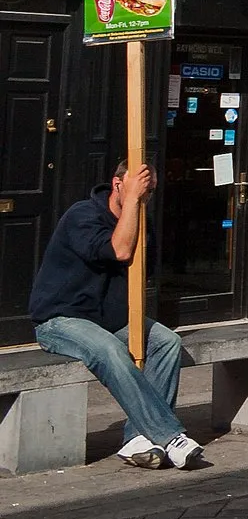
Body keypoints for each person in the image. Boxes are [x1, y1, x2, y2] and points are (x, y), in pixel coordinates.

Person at [29, 162, 205, 470]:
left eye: (149, 193)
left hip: (107, 321)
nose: (144, 199)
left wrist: (137, 208)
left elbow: (142, 272)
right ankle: (168, 436)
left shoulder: (140, 220)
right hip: (61, 320)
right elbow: (119, 251)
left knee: (167, 342)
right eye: (139, 190)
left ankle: (137, 439)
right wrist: (134, 202)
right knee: (109, 350)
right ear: (117, 184)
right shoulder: (83, 215)